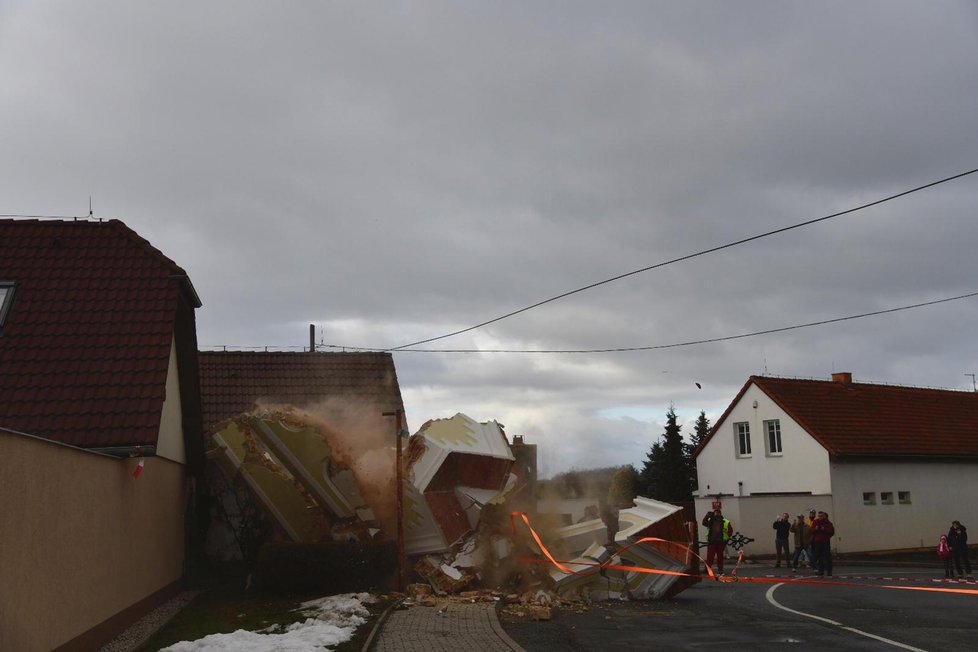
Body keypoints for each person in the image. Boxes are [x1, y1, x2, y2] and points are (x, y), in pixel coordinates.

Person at [702, 508, 733, 575]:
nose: (717, 514)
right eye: (716, 513)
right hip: (713, 542)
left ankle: (720, 570)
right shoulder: (711, 520)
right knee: (710, 557)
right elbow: (704, 523)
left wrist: (726, 540)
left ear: (720, 514)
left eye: (718, 513)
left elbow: (730, 531)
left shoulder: (725, 521)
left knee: (719, 557)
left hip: (720, 542)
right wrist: (707, 516)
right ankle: (709, 569)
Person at [809, 510, 835, 577]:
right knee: (819, 557)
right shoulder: (815, 522)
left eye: (821, 516)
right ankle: (821, 571)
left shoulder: (828, 523)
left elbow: (832, 532)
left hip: (825, 542)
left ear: (824, 516)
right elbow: (811, 530)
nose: (820, 517)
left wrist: (824, 529)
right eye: (819, 516)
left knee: (827, 557)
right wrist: (815, 528)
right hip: (817, 542)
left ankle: (829, 571)